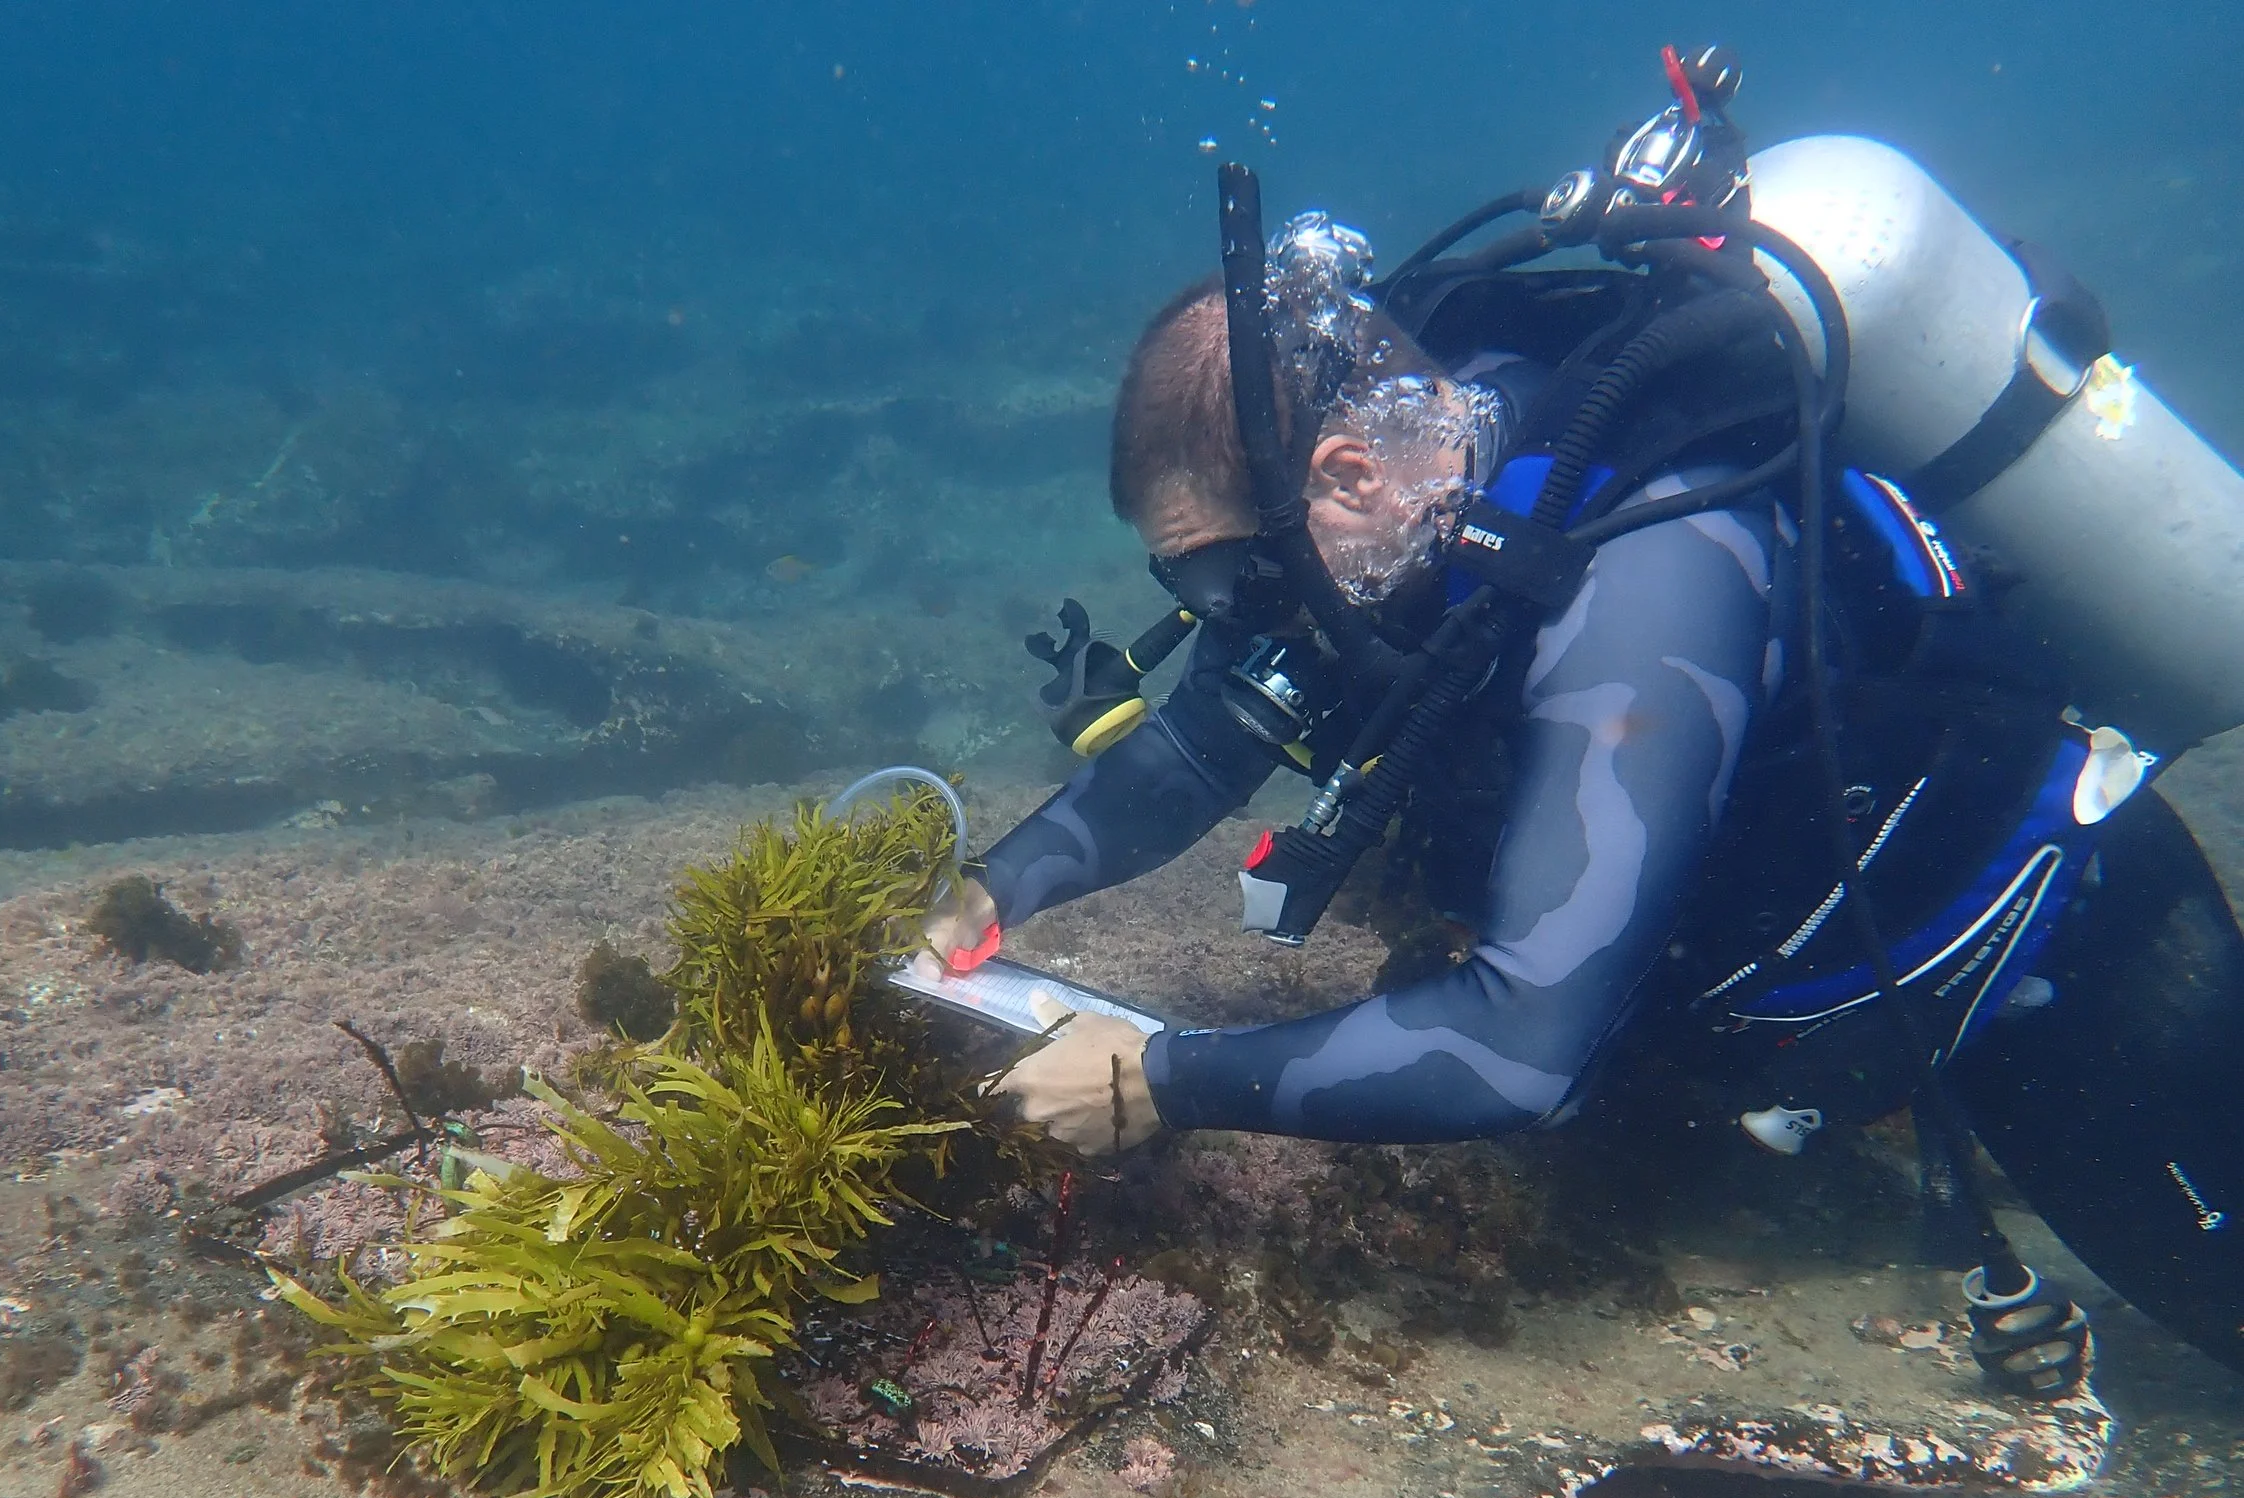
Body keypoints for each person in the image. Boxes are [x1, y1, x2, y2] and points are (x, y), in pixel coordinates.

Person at [920, 192, 2244, 1379]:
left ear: (1347, 476)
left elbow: (1521, 1048)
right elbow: (1209, 739)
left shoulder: (1644, 578)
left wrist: (1164, 1074)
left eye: (1229, 583)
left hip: (2051, 980)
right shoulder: (1419, 500)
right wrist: (1001, 884)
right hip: (1748, 1006)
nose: (1237, 626)